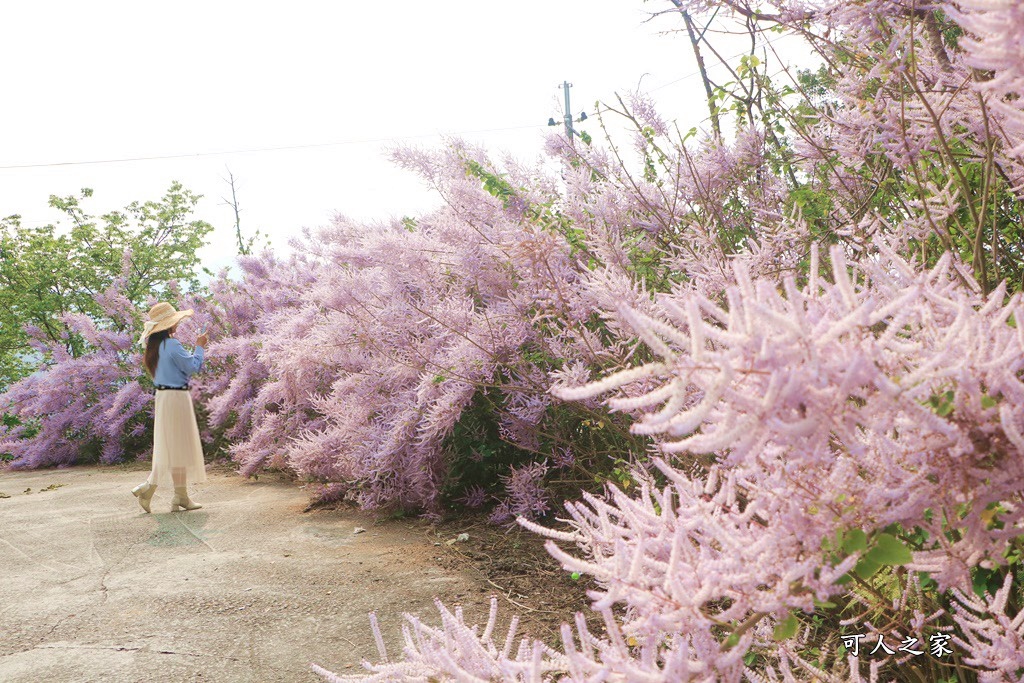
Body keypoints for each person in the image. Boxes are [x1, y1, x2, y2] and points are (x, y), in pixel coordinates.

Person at [131, 302, 210, 513]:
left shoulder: (156, 348)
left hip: (164, 397)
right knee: (178, 446)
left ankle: (179, 496)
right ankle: (153, 488)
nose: (178, 323)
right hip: (176, 397)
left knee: (172, 446)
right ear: (168, 325)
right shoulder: (172, 345)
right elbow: (193, 366)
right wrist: (200, 345)